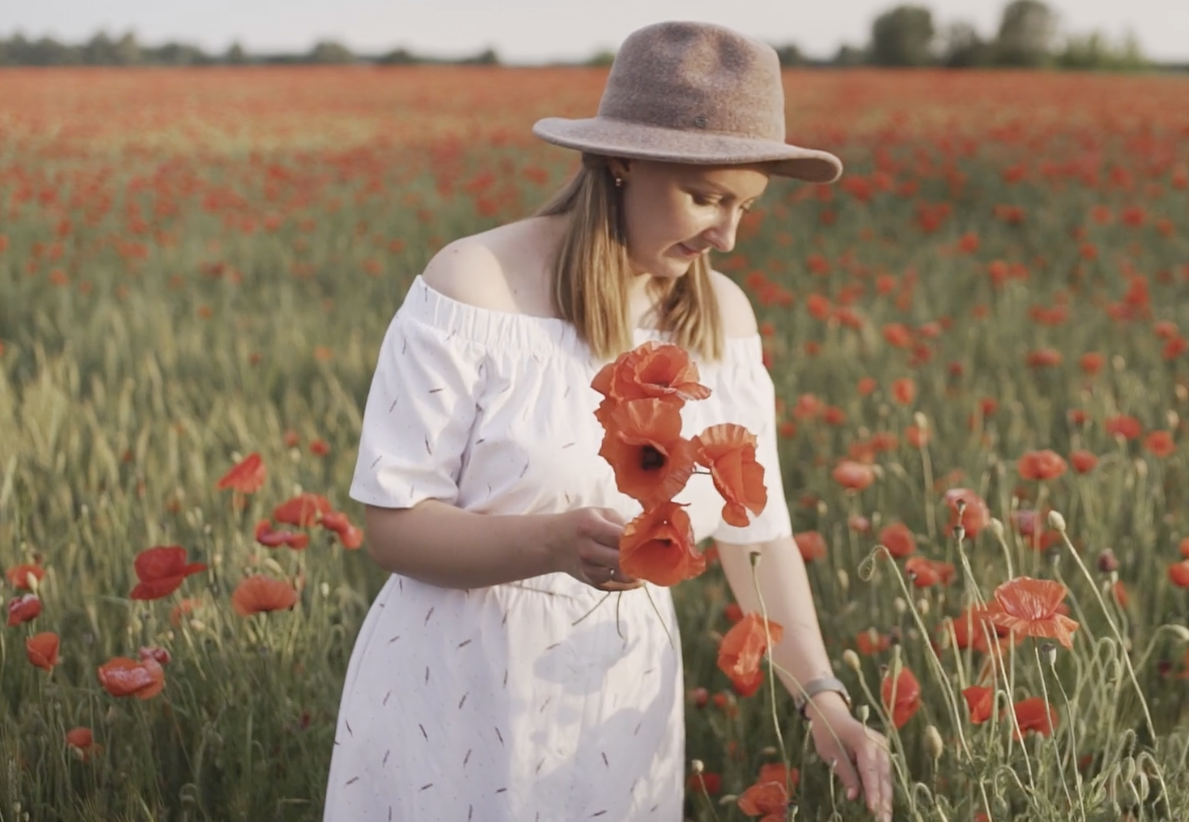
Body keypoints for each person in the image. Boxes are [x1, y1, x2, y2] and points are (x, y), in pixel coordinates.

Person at [322, 20, 894, 822]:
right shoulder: (475, 285)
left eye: (745, 207)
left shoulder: (719, 320)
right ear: (622, 159)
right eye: (707, 198)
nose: (726, 237)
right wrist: (553, 544)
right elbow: (394, 527)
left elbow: (757, 536)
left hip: (618, 706)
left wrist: (824, 702)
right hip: (451, 701)